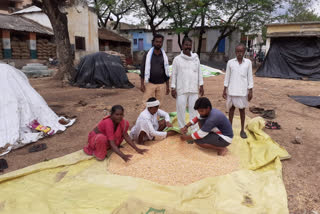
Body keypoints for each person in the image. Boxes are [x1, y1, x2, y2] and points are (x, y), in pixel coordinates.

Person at [83, 105, 148, 162]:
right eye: (117, 114)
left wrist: (137, 149)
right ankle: (98, 154)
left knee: (120, 132)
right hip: (96, 140)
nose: (119, 117)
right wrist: (123, 156)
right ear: (111, 114)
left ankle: (109, 148)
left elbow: (126, 136)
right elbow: (111, 142)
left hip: (108, 140)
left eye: (121, 114)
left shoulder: (124, 122)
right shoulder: (107, 123)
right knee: (102, 138)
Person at [171, 37, 204, 130]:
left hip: (193, 88)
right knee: (180, 110)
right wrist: (173, 88)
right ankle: (182, 128)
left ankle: (194, 129)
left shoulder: (195, 58)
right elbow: (174, 74)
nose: (188, 47)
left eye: (190, 45)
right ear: (182, 46)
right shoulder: (177, 59)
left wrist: (201, 85)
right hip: (181, 89)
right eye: (186, 45)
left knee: (194, 109)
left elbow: (199, 72)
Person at [222, 43, 253, 139]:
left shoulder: (248, 62)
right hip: (231, 90)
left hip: (243, 91)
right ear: (235, 52)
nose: (239, 53)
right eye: (237, 51)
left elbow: (250, 77)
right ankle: (229, 129)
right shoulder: (230, 62)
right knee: (231, 110)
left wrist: (250, 90)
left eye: (241, 51)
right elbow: (227, 76)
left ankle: (242, 130)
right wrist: (224, 89)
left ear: (244, 52)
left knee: (242, 110)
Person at [140, 34, 170, 109]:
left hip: (161, 84)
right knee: (146, 103)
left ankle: (156, 120)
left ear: (162, 43)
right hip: (150, 83)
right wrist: (142, 84)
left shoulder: (164, 56)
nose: (158, 43)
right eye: (157, 42)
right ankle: (144, 120)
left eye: (160, 42)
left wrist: (167, 86)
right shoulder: (147, 54)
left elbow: (166, 71)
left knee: (159, 105)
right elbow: (143, 69)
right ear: (153, 42)